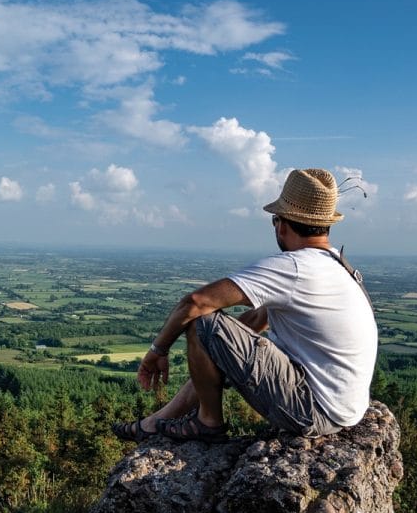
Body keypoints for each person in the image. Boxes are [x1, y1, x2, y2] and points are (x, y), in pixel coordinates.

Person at [114, 168, 378, 442]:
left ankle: (208, 423)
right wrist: (214, 350)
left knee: (201, 320)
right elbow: (255, 321)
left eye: (275, 220)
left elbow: (195, 302)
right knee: (211, 335)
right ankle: (155, 423)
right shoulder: (337, 266)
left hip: (313, 409)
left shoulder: (296, 267)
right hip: (341, 407)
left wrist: (159, 350)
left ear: (282, 224)